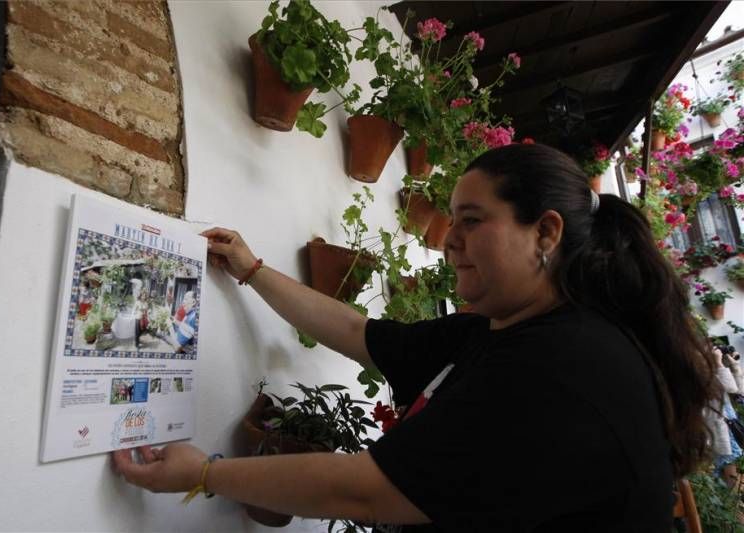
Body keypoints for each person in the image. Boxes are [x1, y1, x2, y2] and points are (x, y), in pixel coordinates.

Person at [113, 144, 718, 531]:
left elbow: (372, 492)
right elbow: (359, 331)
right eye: (450, 219)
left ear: (546, 232)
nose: (449, 238)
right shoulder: (498, 328)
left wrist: (205, 474)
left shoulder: (563, 363)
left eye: (472, 220)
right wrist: (250, 268)